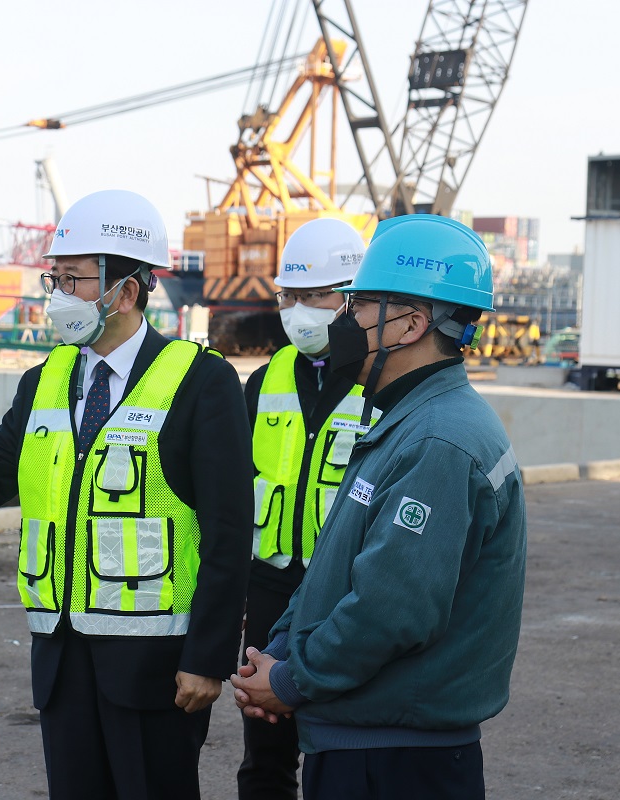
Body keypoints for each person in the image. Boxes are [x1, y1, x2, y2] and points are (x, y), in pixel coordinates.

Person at [0, 189, 252, 800]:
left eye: (73, 280)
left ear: (126, 291)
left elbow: (230, 529)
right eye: (55, 277)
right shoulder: (44, 379)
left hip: (156, 666)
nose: (56, 296)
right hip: (62, 665)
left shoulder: (202, 382)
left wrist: (209, 658)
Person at [231, 214, 528, 800]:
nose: (346, 321)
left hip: (394, 760)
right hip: (368, 743)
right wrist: (282, 650)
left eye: (361, 306)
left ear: (411, 323)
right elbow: (337, 566)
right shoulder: (406, 420)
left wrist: (288, 681)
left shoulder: (439, 442)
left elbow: (389, 609)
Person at [237, 217, 381, 800]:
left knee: (339, 751)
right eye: (288, 296)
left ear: (353, 299)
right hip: (269, 592)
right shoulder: (263, 380)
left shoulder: (382, 383)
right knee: (265, 761)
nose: (299, 310)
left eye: (315, 295)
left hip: (346, 596)